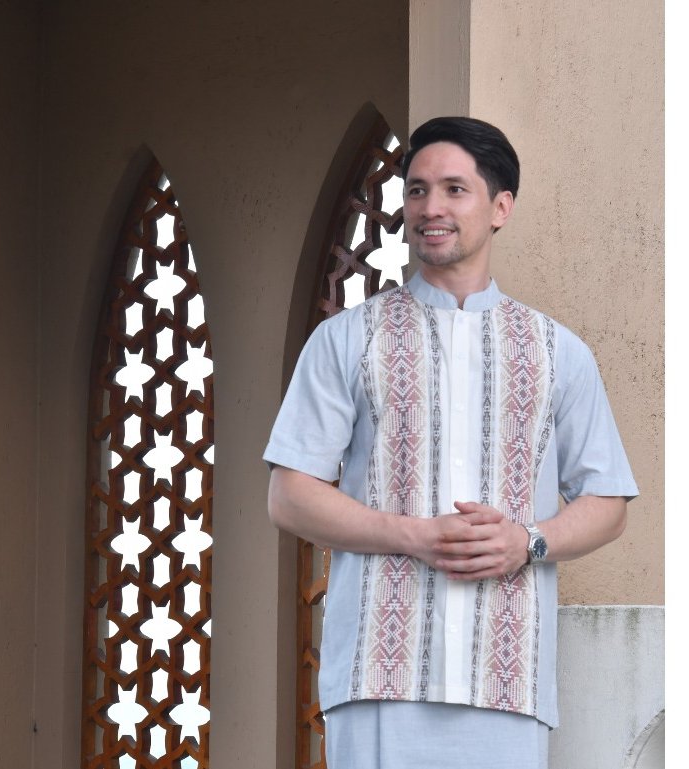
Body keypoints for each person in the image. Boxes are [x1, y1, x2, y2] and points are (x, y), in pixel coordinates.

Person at [263, 116, 638, 769]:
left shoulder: (557, 353)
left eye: (453, 189)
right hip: (378, 674)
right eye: (416, 190)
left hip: (507, 678)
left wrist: (527, 541)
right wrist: (413, 535)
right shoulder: (347, 340)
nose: (429, 207)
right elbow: (289, 495)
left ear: (500, 207)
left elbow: (607, 500)